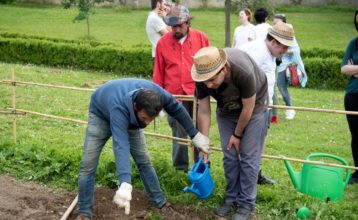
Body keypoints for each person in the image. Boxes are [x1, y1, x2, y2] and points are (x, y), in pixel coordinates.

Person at [76, 78, 210, 220]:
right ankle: (84, 211)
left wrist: (194, 135)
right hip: (101, 113)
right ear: (135, 106)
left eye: (150, 119)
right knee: (88, 164)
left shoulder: (158, 95)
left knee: (144, 161)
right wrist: (125, 182)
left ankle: (160, 202)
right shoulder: (119, 108)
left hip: (131, 117)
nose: (146, 123)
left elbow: (177, 109)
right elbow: (120, 144)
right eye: (145, 118)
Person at [192, 46, 269, 219]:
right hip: (227, 109)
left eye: (212, 80)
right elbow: (203, 111)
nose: (208, 85)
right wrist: (203, 144)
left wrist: (237, 134)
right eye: (205, 82)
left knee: (249, 156)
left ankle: (246, 204)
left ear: (224, 68)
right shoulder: (202, 74)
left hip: (255, 107)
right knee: (230, 155)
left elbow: (248, 107)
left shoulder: (243, 71)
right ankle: (232, 197)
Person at [153, 4, 210, 172]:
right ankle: (180, 169)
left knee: (201, 131)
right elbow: (158, 73)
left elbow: (210, 67)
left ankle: (202, 167)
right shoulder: (163, 43)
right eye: (172, 26)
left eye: (179, 26)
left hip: (198, 94)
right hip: (174, 96)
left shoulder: (201, 38)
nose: (176, 30)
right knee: (179, 132)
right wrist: (159, 100)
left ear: (188, 23)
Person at [239, 21, 296, 185]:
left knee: (259, 141)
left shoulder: (270, 53)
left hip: (264, 106)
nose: (284, 51)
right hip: (252, 107)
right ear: (273, 42)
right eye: (283, 48)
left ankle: (255, 173)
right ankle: (245, 177)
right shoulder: (258, 51)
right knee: (249, 145)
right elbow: (243, 77)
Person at [275, 16, 307, 120]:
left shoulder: (288, 35)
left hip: (284, 65)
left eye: (278, 23)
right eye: (274, 23)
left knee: (281, 86)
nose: (275, 25)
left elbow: (294, 51)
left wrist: (282, 51)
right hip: (276, 64)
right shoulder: (276, 34)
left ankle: (290, 109)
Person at [341, 9, 358, 184]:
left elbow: (350, 68)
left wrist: (355, 69)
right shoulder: (354, 43)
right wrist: (351, 70)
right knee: (356, 135)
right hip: (353, 94)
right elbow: (344, 68)